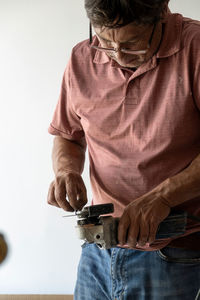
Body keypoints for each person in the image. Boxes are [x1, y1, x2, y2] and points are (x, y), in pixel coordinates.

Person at [47, 0, 200, 299]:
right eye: (104, 42)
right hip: (97, 250)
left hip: (176, 251)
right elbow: (68, 135)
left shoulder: (195, 48)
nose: (116, 56)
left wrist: (162, 197)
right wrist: (66, 170)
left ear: (162, 14)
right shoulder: (82, 56)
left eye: (132, 45)